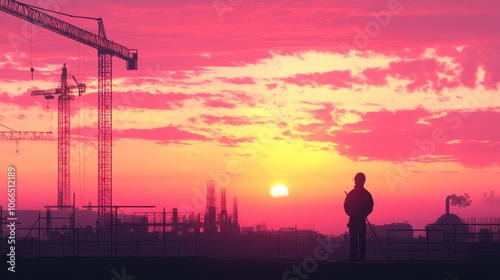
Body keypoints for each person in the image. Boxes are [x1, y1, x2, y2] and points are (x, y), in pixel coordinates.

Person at [343, 172, 374, 261]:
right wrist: (353, 213)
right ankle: (354, 257)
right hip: (354, 220)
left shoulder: (365, 194)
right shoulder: (352, 194)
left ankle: (360, 258)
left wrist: (363, 213)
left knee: (361, 240)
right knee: (354, 240)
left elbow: (370, 205)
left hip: (359, 220)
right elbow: (346, 206)